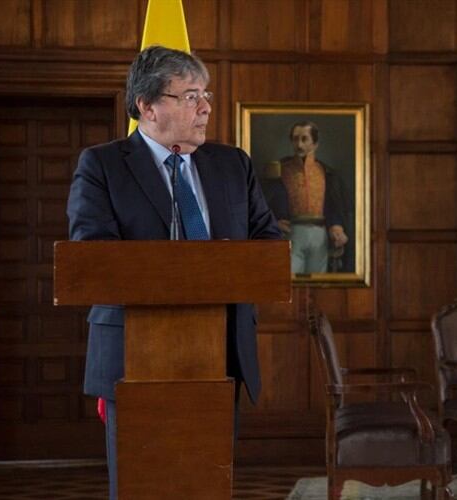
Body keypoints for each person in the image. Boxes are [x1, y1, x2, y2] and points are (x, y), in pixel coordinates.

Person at [66, 45, 282, 499]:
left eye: (205, 94)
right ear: (147, 106)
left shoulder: (231, 163)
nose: (204, 107)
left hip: (220, 351)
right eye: (188, 96)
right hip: (135, 354)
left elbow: (268, 243)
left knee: (207, 482)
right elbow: (93, 254)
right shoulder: (103, 165)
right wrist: (175, 269)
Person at [277, 121, 348, 273]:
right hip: (291, 232)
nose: (299, 144)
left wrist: (336, 227)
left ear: (315, 144)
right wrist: (275, 221)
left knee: (318, 281)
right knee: (289, 280)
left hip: (319, 233)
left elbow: (333, 204)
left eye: (304, 139)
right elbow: (267, 201)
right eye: (295, 139)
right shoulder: (280, 170)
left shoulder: (327, 172)